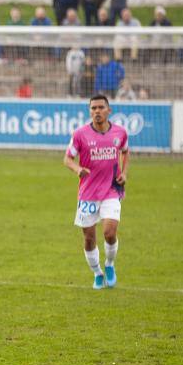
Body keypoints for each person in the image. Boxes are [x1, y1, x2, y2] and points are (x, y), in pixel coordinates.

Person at [63, 94, 129, 290]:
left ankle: (109, 264)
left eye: (101, 107)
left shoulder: (120, 132)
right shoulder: (80, 134)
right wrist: (77, 170)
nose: (97, 111)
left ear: (109, 111)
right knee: (89, 238)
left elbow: (125, 151)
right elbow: (67, 159)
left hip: (111, 189)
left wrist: (124, 172)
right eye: (93, 108)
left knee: (109, 232)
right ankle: (97, 273)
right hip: (88, 193)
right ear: (89, 111)